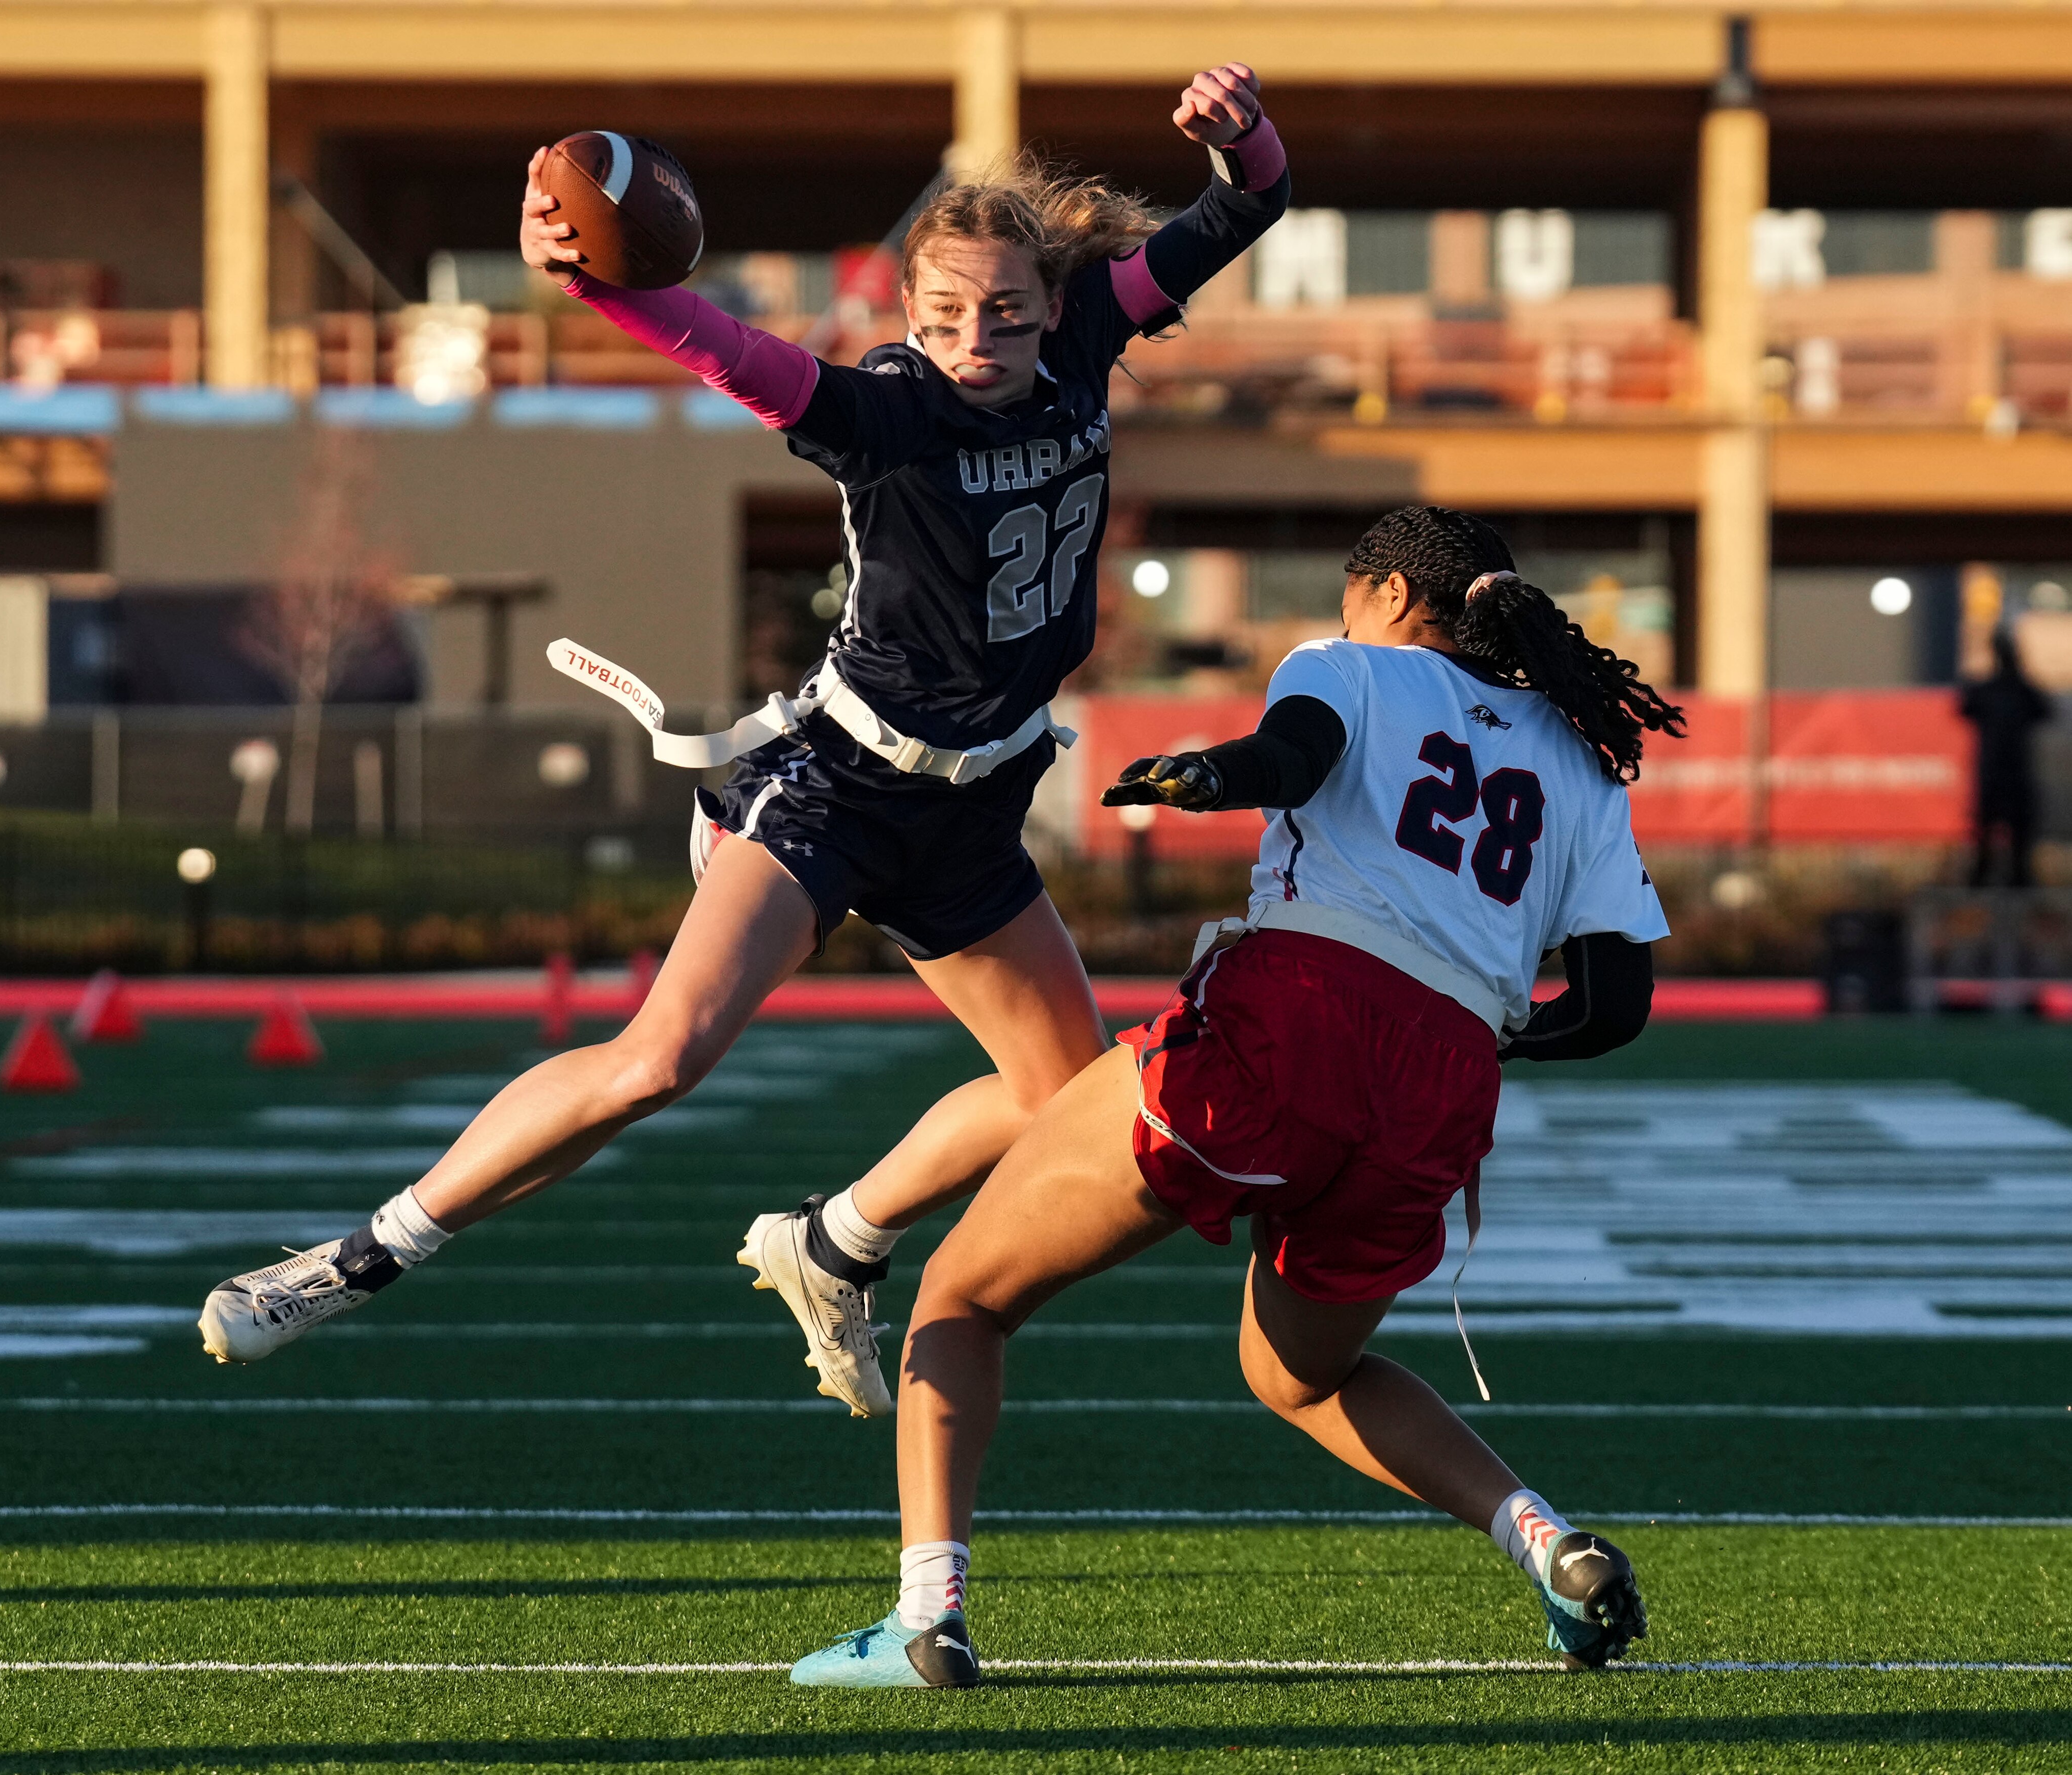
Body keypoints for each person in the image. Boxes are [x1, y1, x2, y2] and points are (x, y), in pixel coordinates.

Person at [195, 68, 1294, 1409]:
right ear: (909, 316)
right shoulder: (891, 410)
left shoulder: (1084, 338)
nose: (979, 335)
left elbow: (1253, 205)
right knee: (658, 1060)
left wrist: (1245, 144)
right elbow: (728, 349)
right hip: (834, 784)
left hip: (973, 807)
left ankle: (833, 1243)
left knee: (1067, 1092)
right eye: (946, 312)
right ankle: (353, 1259)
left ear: (1055, 304)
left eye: (1007, 309)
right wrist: (600, 287)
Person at [788, 505, 1684, 1688]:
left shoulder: (1349, 665)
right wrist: (1479, 1043)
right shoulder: (1578, 759)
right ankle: (1548, 1539)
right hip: (1444, 1077)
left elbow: (1295, 755)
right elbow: (1614, 1004)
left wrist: (1214, 774)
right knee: (1297, 1375)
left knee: (963, 1295)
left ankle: (925, 1620)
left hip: (1296, 1014)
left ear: (1394, 600)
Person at [1960, 626, 2051, 890]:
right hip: (1994, 768)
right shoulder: (1989, 691)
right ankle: (1983, 872)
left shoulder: (2021, 691)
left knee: (2018, 828)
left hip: (2012, 769)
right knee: (1985, 827)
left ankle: (2015, 874)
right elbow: (1965, 709)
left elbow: (2043, 710)